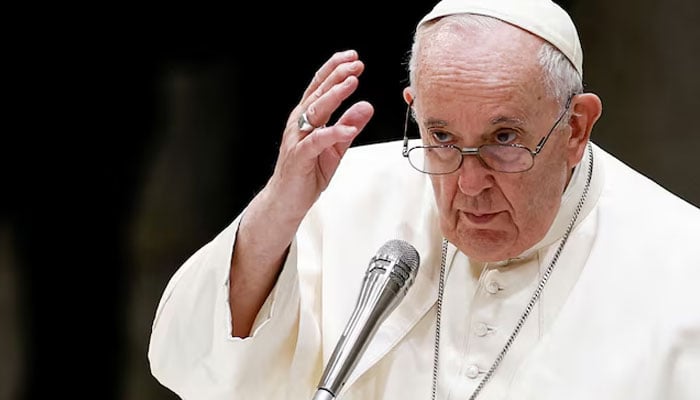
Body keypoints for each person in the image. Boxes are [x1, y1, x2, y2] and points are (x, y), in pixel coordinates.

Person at [147, 0, 700, 398]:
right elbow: (192, 367)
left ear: (575, 127)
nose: (470, 183)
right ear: (414, 107)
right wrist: (278, 208)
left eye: (504, 140)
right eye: (441, 138)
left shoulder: (682, 263)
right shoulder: (341, 195)